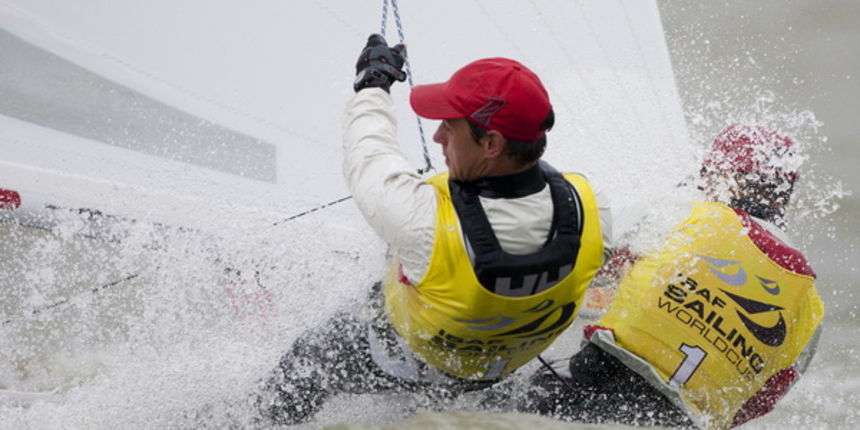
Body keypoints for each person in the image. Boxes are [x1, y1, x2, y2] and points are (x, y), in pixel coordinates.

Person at [255, 34, 612, 425]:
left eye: (450, 126)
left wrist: (372, 84)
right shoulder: (591, 205)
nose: (438, 136)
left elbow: (368, 152)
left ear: (492, 143)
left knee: (308, 360)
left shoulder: (421, 220)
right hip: (491, 374)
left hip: (400, 359)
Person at [497, 124, 825, 430]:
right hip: (682, 421)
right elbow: (763, 397)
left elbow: (584, 269)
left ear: (725, 175)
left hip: (594, 381)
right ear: (785, 192)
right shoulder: (809, 304)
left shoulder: (687, 214)